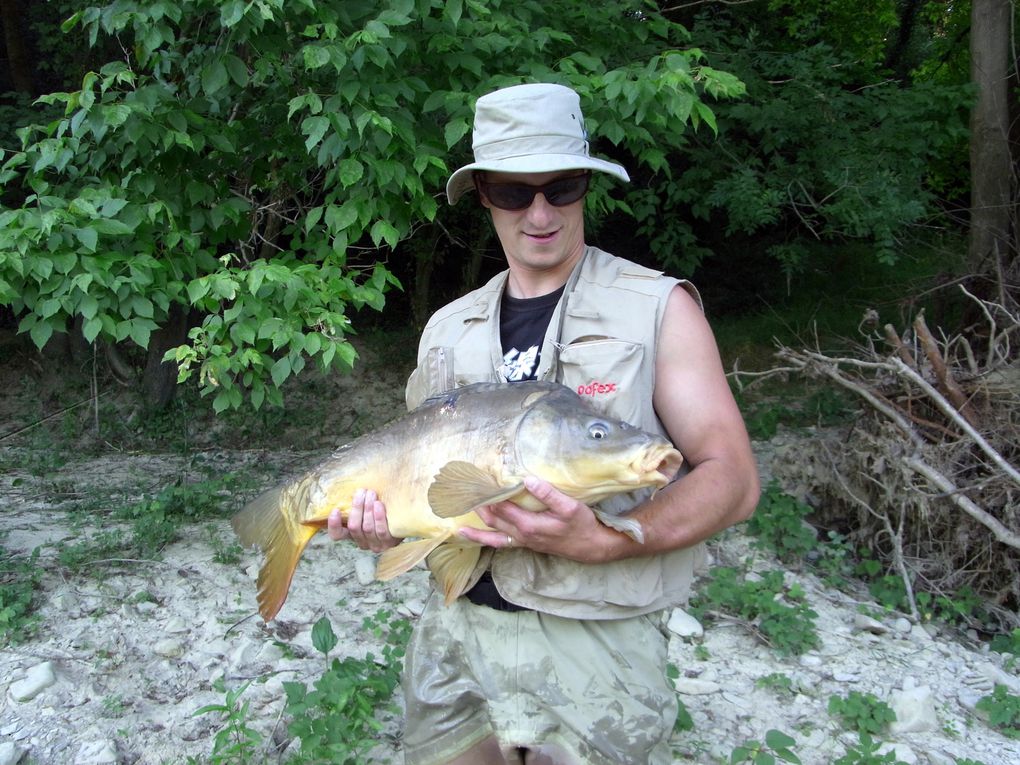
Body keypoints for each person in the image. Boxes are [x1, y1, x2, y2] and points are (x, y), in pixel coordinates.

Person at [327, 82, 760, 765]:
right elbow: (421, 490)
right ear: (483, 196)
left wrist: (616, 538)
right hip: (457, 634)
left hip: (598, 643)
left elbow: (733, 478)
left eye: (560, 188)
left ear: (585, 186)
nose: (539, 212)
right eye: (512, 192)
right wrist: (378, 528)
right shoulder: (446, 329)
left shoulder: (658, 309)